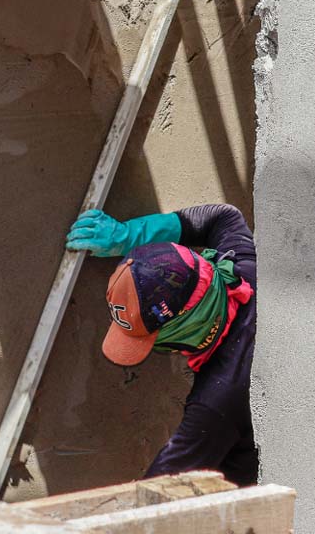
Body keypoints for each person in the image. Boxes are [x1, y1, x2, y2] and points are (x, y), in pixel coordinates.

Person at [65, 204, 258, 486]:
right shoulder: (244, 267)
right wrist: (128, 234)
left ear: (183, 328)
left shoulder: (217, 402)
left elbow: (158, 496)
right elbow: (221, 216)